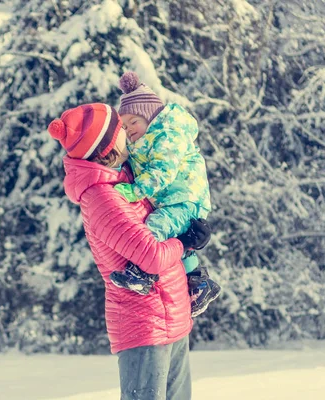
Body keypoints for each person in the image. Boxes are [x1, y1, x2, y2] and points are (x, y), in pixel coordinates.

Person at [48, 103, 210, 399]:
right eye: (119, 129)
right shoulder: (102, 198)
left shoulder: (124, 178)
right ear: (108, 147)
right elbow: (151, 256)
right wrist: (187, 242)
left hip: (171, 317)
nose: (127, 130)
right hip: (144, 324)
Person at [109, 71, 221, 317]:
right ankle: (200, 283)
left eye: (133, 122)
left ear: (149, 115)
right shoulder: (145, 139)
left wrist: (133, 192)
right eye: (124, 126)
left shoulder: (167, 136)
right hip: (174, 200)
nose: (128, 130)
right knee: (181, 241)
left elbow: (161, 172)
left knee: (155, 226)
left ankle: (144, 273)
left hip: (184, 199)